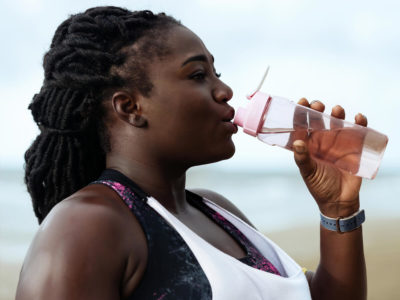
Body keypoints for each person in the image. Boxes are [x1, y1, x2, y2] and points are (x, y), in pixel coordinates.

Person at [16, 6, 367, 300]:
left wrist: (338, 210)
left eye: (217, 73)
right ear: (130, 108)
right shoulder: (87, 226)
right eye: (198, 75)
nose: (225, 90)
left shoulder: (218, 211)